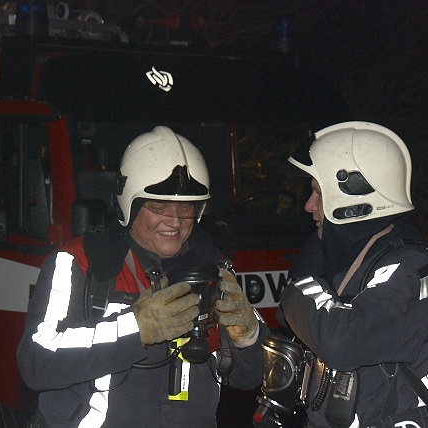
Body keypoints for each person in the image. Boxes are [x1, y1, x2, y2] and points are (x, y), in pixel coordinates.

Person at [17, 125, 267, 428]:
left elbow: (246, 378)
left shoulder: (212, 268)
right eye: (160, 206)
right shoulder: (81, 263)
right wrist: (136, 328)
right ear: (130, 204)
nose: (174, 221)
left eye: (186, 209)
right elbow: (36, 363)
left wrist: (248, 335)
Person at [279, 122, 428, 427]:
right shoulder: (352, 261)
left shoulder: (409, 268)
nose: (309, 206)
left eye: (319, 194)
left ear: (352, 203)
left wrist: (297, 287)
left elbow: (340, 341)